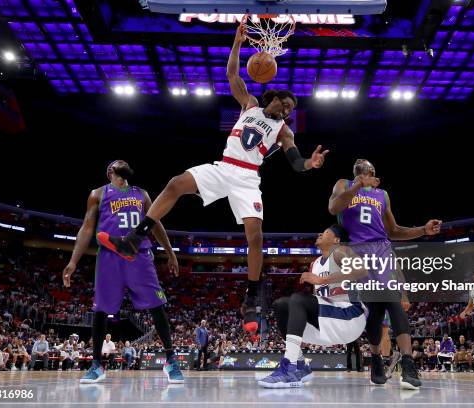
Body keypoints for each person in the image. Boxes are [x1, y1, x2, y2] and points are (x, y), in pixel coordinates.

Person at [96, 24, 329, 333]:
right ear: (272, 98)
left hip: (247, 178)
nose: (286, 111)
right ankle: (134, 239)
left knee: (255, 237)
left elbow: (295, 160)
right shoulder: (250, 104)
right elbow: (233, 75)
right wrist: (236, 44)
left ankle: (253, 295)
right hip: (223, 166)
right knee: (175, 183)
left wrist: (310, 164)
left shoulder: (284, 131)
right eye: (284, 104)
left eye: (290, 110)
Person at [62, 160, 183, 384]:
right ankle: (96, 365)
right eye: (119, 162)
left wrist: (170, 252)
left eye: (125, 162)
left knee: (157, 306)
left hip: (140, 255)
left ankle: (171, 360)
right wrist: (73, 261)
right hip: (109, 257)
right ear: (110, 171)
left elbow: (155, 223)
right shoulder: (98, 194)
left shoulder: (142, 194)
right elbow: (87, 227)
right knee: (100, 310)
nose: (124, 163)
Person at [328, 159, 442, 390]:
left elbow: (394, 231)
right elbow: (334, 208)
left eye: (366, 164)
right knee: (376, 311)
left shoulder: (383, 194)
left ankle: (408, 364)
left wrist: (422, 230)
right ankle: (376, 359)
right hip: (357, 251)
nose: (360, 160)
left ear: (373, 173)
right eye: (358, 163)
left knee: (393, 301)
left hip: (382, 249)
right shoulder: (344, 183)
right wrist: (357, 186)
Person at [259, 225, 368, 388]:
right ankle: (301, 365)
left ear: (336, 240)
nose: (319, 234)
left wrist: (323, 280)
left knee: (298, 299)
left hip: (350, 316)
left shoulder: (341, 251)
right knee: (281, 305)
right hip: (329, 322)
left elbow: (362, 270)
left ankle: (290, 367)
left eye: (325, 232)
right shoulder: (315, 264)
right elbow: (317, 299)